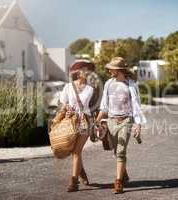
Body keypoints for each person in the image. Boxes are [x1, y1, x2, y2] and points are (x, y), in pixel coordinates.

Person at [96, 57, 147, 194]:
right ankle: (124, 174)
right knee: (115, 151)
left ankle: (118, 182)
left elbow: (136, 107)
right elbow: (104, 106)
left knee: (120, 151)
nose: (109, 70)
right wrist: (97, 121)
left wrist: (138, 125)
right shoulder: (108, 84)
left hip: (126, 121)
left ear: (118, 70)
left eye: (111, 68)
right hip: (111, 121)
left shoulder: (130, 85)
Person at [59, 60, 95, 192]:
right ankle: (81, 171)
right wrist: (66, 107)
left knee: (76, 151)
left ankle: (73, 182)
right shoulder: (68, 87)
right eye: (85, 70)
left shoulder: (90, 89)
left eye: (89, 71)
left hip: (84, 122)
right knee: (73, 151)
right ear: (79, 72)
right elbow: (63, 102)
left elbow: (86, 106)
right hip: (70, 122)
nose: (88, 73)